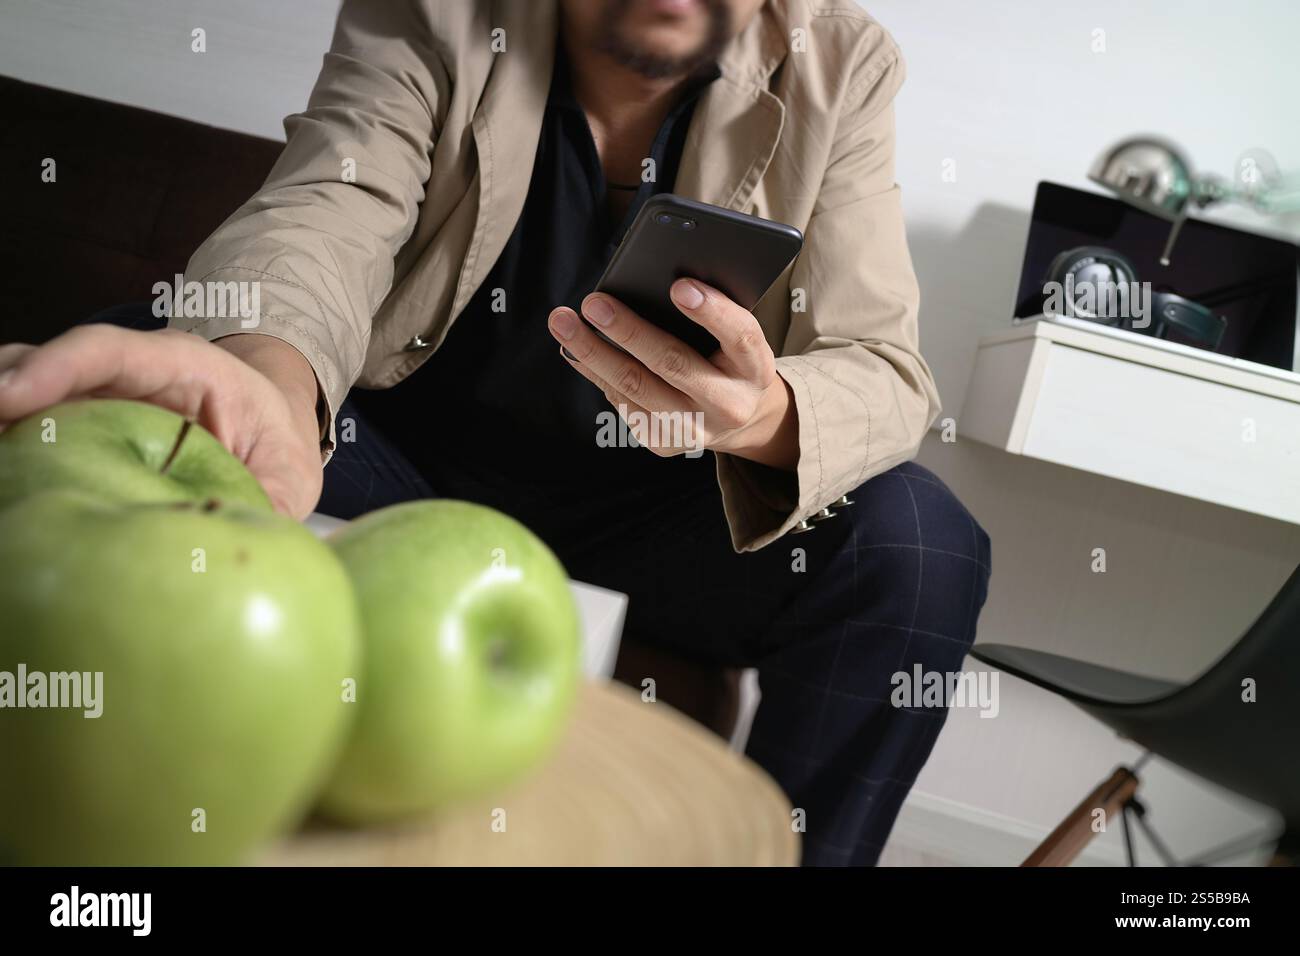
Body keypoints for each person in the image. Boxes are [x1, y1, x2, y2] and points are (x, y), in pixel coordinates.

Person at [0, 0, 990, 865]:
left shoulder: (841, 59)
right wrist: (266, 379)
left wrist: (765, 414)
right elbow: (329, 206)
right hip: (397, 462)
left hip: (663, 511)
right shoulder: (436, 7)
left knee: (921, 545)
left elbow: (883, 367)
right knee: (151, 361)